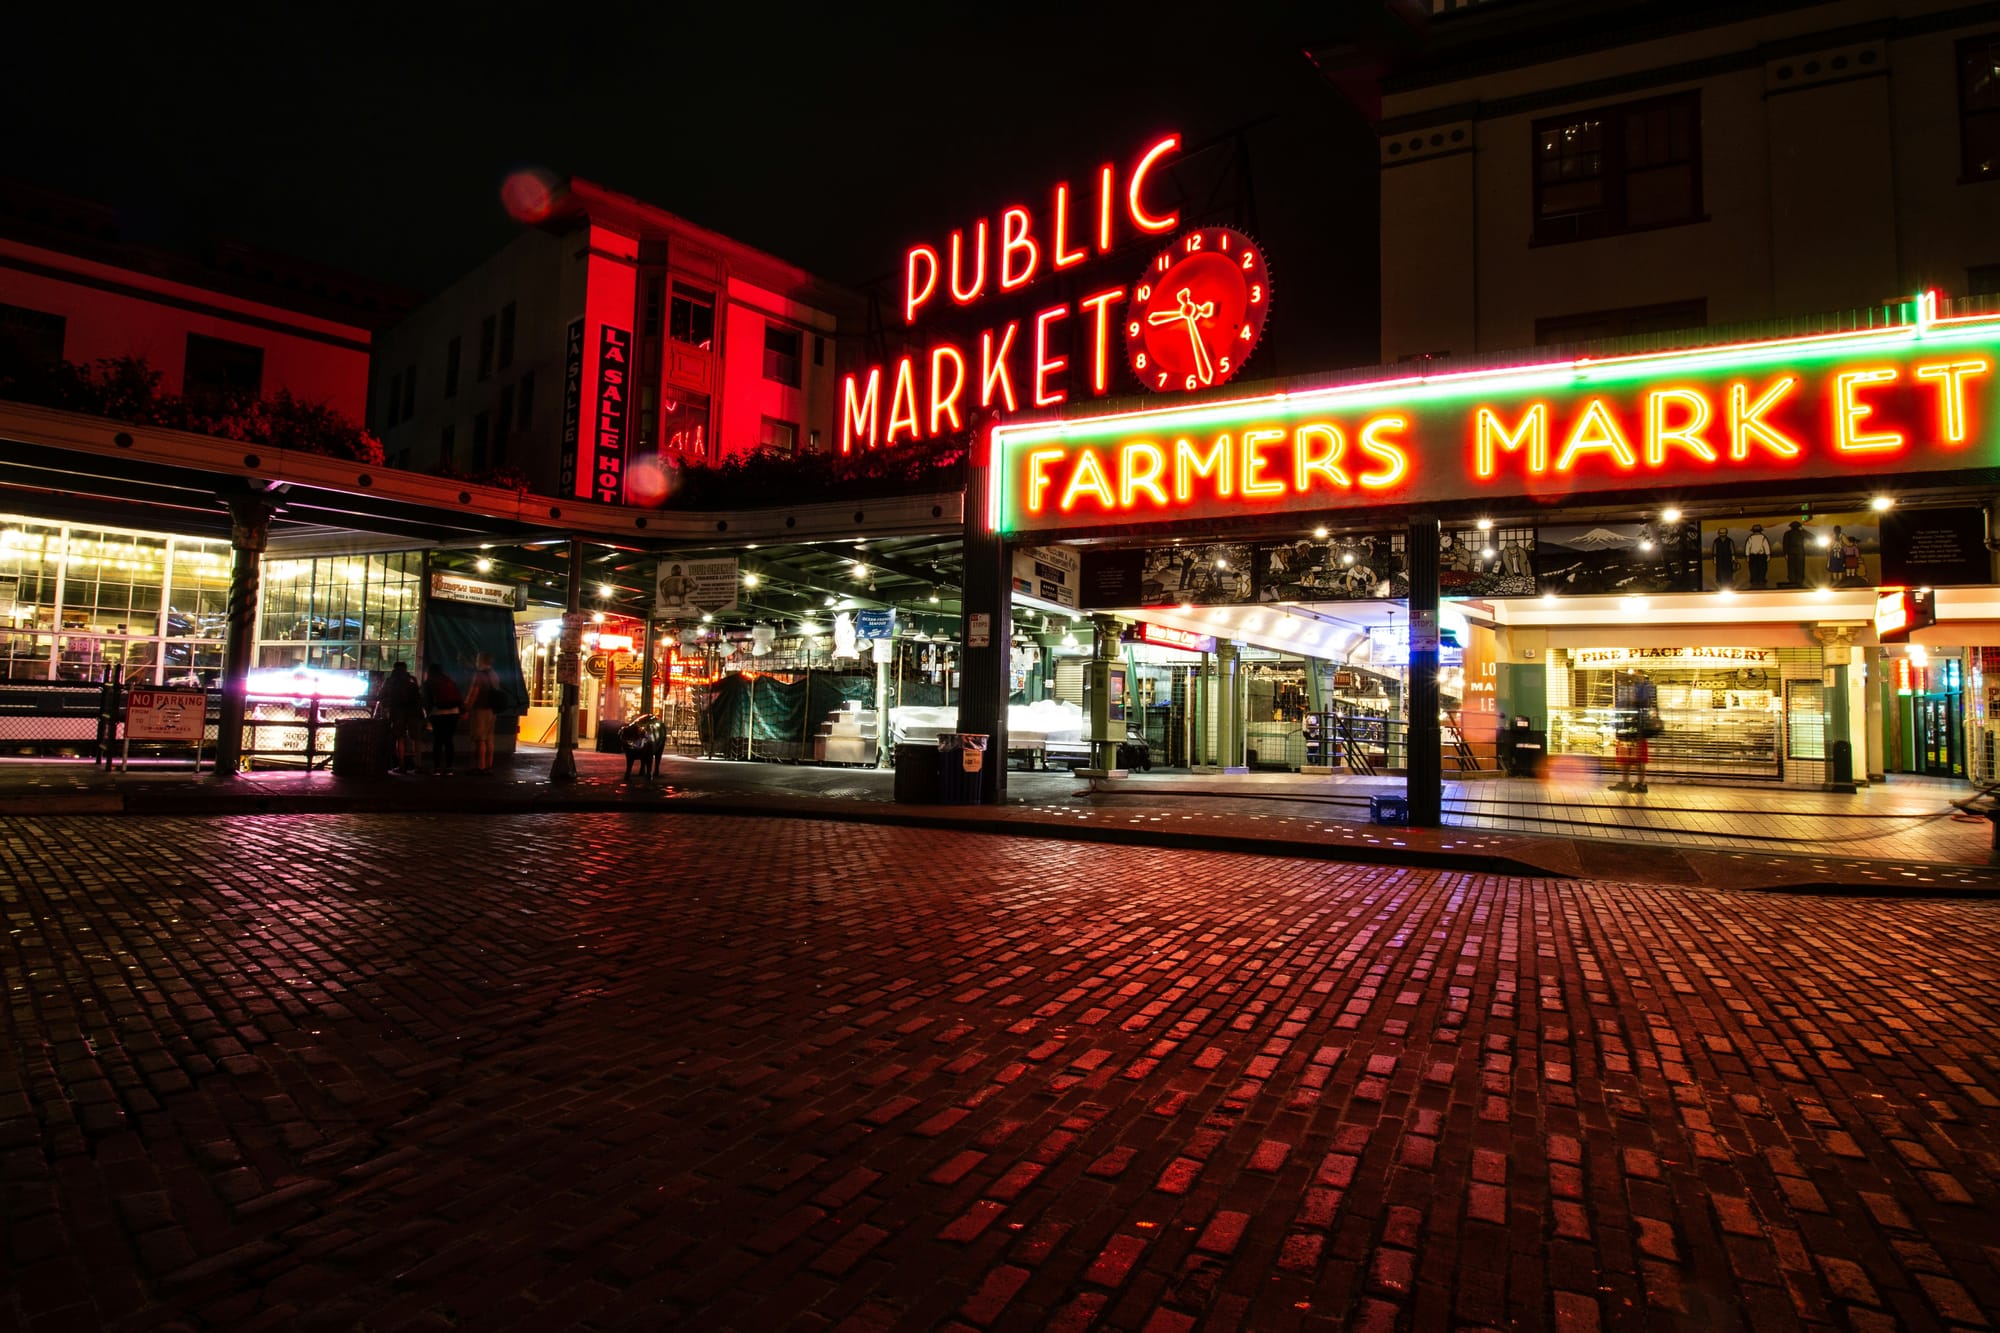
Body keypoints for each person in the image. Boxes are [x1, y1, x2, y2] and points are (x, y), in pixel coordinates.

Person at [373, 661, 424, 772]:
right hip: (413, 712)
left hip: (397, 712)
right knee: (415, 738)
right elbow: (419, 697)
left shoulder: (390, 681)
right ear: (405, 669)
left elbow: (381, 695)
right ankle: (418, 765)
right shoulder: (412, 679)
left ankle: (401, 765)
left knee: (399, 738)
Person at [1614, 670, 1659, 793]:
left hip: (1638, 728)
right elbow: (1620, 705)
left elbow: (1645, 704)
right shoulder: (1624, 688)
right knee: (1625, 757)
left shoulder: (1645, 689)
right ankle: (1626, 782)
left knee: (1639, 758)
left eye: (1634, 675)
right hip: (1626, 727)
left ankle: (1640, 783)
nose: (1632, 677)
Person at [464, 651, 504, 774]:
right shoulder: (494, 675)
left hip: (480, 709)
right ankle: (489, 765)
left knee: (480, 739)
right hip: (492, 710)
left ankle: (480, 766)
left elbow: (474, 693)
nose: (476, 661)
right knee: (489, 739)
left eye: (477, 659)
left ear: (481, 661)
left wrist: (467, 708)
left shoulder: (479, 675)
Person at [422, 662, 461, 774]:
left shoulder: (429, 682)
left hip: (438, 713)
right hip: (454, 713)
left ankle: (437, 768)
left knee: (438, 741)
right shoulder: (449, 680)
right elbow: (458, 697)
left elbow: (426, 700)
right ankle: (449, 768)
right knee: (449, 740)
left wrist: (428, 715)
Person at [1782, 520, 1809, 587]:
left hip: (1790, 552)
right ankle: (1799, 581)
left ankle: (1792, 581)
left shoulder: (1787, 533)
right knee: (1800, 567)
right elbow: (1812, 537)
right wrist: (1804, 530)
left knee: (1791, 568)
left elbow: (1785, 544)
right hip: (1800, 552)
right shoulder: (1802, 533)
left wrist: (1785, 553)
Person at [1744, 524, 1771, 588]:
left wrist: (1747, 556)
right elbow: (1766, 546)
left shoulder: (1750, 538)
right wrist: (1768, 555)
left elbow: (1748, 547)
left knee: (1753, 569)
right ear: (1760, 530)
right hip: (1761, 556)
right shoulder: (1763, 537)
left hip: (1753, 556)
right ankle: (1761, 580)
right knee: (1762, 568)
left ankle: (1754, 580)